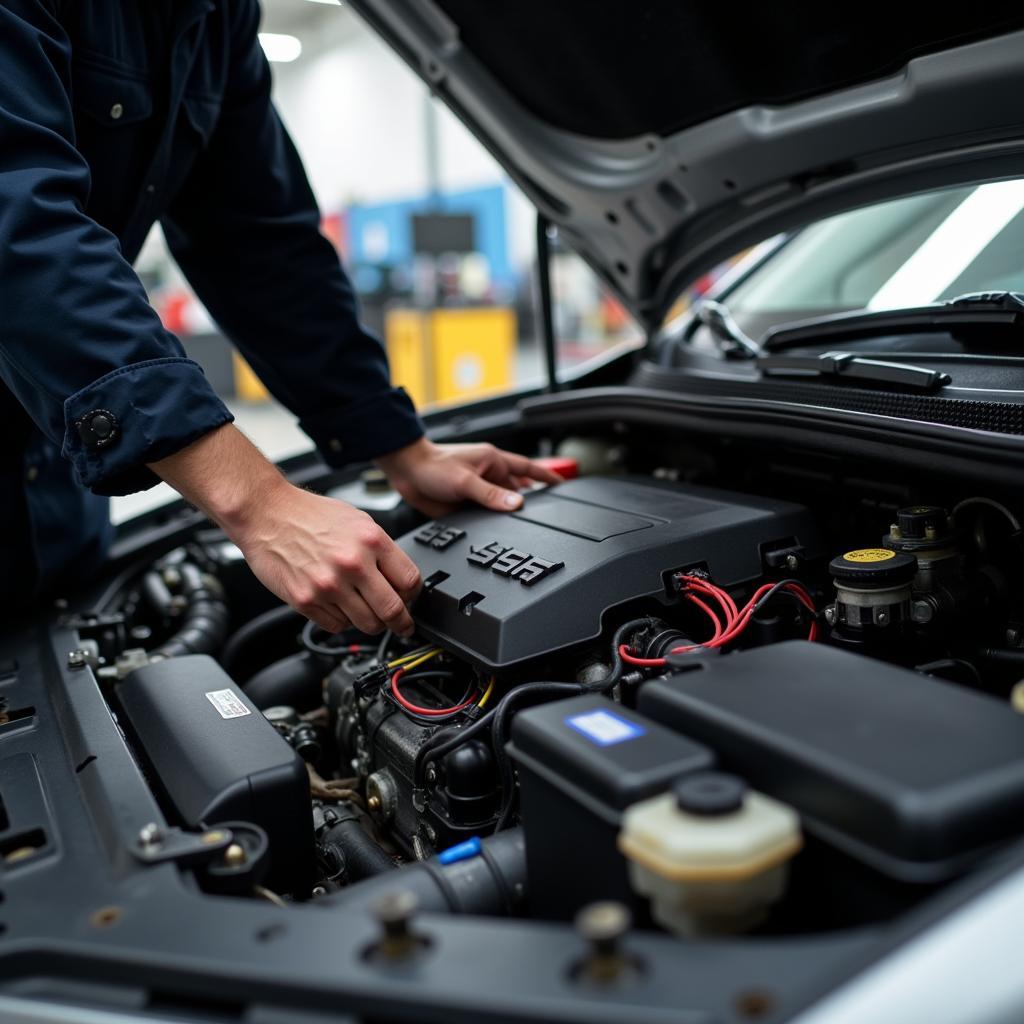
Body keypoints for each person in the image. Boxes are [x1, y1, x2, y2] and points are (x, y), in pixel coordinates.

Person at [0, 1, 559, 634]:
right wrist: (259, 504)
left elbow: (262, 243)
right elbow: (18, 229)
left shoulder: (217, 17)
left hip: (52, 500)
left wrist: (400, 446)